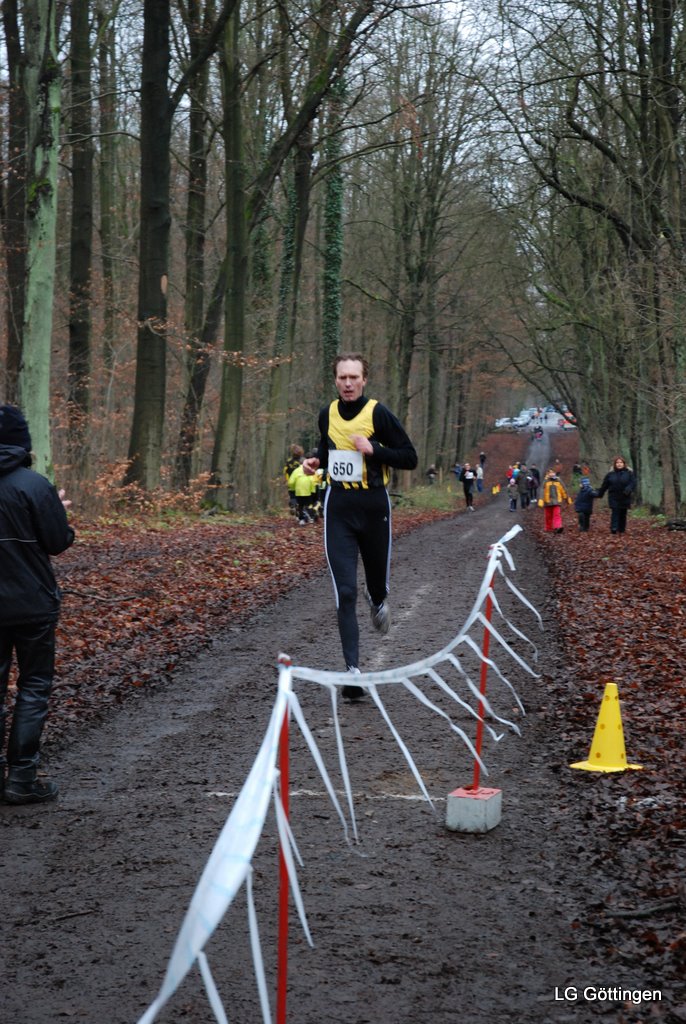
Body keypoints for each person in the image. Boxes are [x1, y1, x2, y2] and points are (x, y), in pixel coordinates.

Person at [302, 354, 417, 698]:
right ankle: (352, 672)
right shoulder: (327, 414)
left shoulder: (378, 413)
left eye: (354, 377)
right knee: (345, 591)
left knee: (376, 585)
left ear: (364, 380)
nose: (348, 383)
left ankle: (378, 598)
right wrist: (315, 461)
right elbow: (327, 450)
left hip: (374, 506)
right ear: (335, 380)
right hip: (338, 507)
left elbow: (409, 457)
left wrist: (375, 450)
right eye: (342, 378)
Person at [0, 405, 75, 804]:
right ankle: (22, 779)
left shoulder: (33, 485)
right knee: (33, 686)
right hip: (32, 604)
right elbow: (58, 542)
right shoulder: (34, 485)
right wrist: (58, 512)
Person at [595, 455, 637, 534]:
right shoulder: (610, 474)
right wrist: (599, 494)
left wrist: (628, 489)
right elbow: (605, 485)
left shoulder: (629, 473)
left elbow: (633, 483)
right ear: (615, 464)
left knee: (623, 513)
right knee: (615, 511)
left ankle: (621, 529)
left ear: (624, 464)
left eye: (621, 462)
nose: (619, 464)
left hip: (625, 496)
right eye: (617, 462)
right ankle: (614, 528)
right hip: (613, 496)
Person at [541, 468, 571, 533]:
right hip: (547, 502)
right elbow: (542, 491)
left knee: (557, 514)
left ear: (555, 473)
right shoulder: (545, 481)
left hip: (557, 501)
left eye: (553, 472)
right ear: (547, 474)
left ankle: (558, 526)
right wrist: (541, 500)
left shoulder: (558, 481)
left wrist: (567, 498)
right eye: (550, 472)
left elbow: (563, 490)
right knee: (548, 516)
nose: (551, 474)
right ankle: (548, 528)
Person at [283, 444, 304, 515]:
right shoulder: (303, 461)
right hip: (301, 482)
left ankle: (293, 506)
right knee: (301, 497)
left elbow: (285, 472)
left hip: (291, 482)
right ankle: (300, 511)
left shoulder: (288, 461)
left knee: (292, 496)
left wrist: (286, 480)